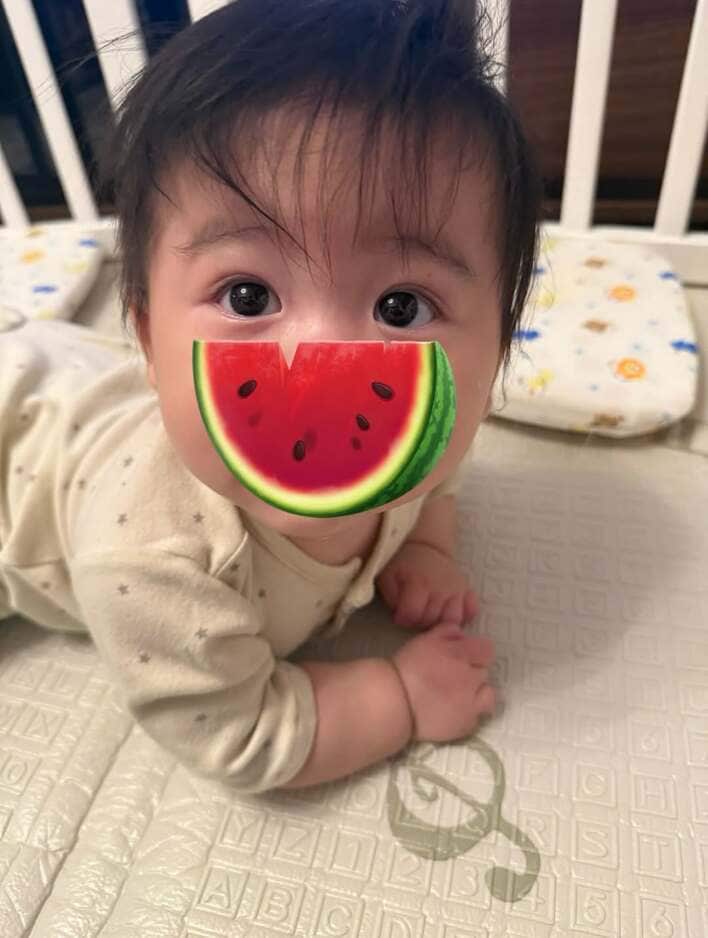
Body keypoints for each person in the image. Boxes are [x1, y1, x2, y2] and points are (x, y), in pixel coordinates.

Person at [0, 0, 542, 793]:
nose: (318, 361)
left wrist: (425, 548)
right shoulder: (153, 561)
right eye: (248, 296)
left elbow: (441, 484)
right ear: (148, 340)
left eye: (401, 308)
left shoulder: (425, 433)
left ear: (493, 362)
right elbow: (237, 730)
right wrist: (398, 697)